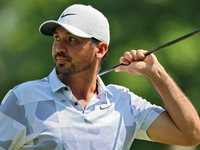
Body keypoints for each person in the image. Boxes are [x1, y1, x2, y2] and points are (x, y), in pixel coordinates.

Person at [0, 4, 200, 150]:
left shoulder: (124, 103)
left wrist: (156, 73)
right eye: (57, 38)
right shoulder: (23, 98)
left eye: (71, 39)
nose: (59, 48)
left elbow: (191, 134)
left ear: (101, 49)